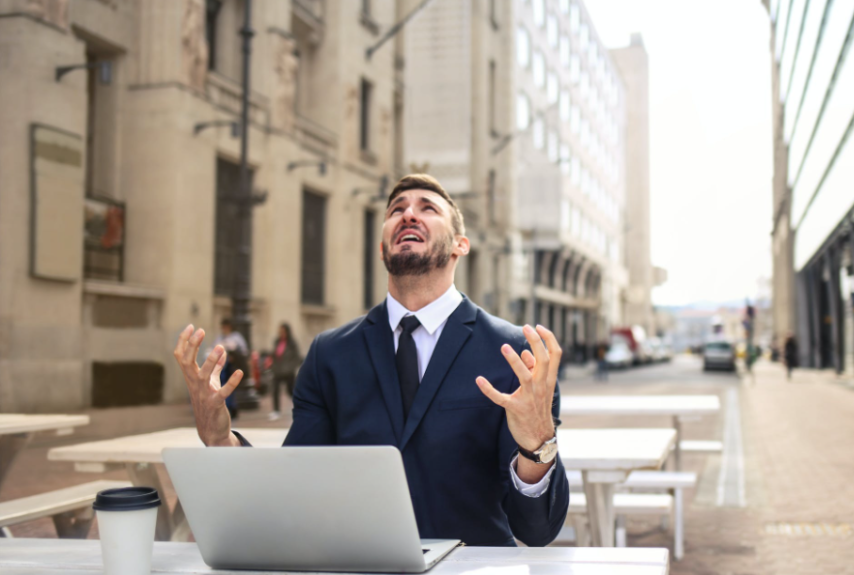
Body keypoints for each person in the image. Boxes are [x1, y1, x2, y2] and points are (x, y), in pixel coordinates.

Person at [173, 174, 569, 547]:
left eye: (427, 208)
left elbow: (536, 530)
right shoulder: (329, 354)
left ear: (459, 245)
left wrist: (537, 444)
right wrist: (219, 440)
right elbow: (293, 489)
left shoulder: (516, 355)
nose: (408, 213)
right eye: (396, 209)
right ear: (382, 249)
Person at [208, 318, 249, 419]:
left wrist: (233, 355)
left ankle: (231, 407)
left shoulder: (236, 338)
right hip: (222, 368)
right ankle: (224, 407)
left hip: (232, 366)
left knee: (230, 387)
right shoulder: (220, 338)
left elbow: (243, 351)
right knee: (221, 386)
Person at [269, 323, 303, 421]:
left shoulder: (292, 343)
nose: (281, 333)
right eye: (280, 331)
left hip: (288, 372)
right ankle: (276, 411)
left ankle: (299, 407)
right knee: (275, 390)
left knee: (291, 391)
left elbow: (297, 358)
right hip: (277, 371)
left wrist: (290, 368)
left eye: (283, 331)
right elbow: (274, 356)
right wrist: (273, 367)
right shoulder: (277, 342)